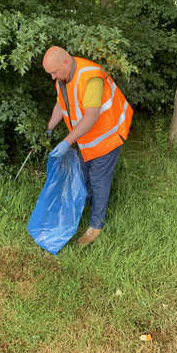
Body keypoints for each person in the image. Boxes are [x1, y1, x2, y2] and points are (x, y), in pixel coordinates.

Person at [43, 46, 133, 246]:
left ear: (66, 63)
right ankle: (88, 206)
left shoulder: (91, 77)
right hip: (85, 140)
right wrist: (49, 128)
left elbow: (91, 116)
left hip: (106, 137)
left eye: (54, 72)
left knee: (98, 179)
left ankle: (95, 226)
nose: (52, 77)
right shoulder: (63, 78)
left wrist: (66, 142)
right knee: (83, 175)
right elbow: (61, 104)